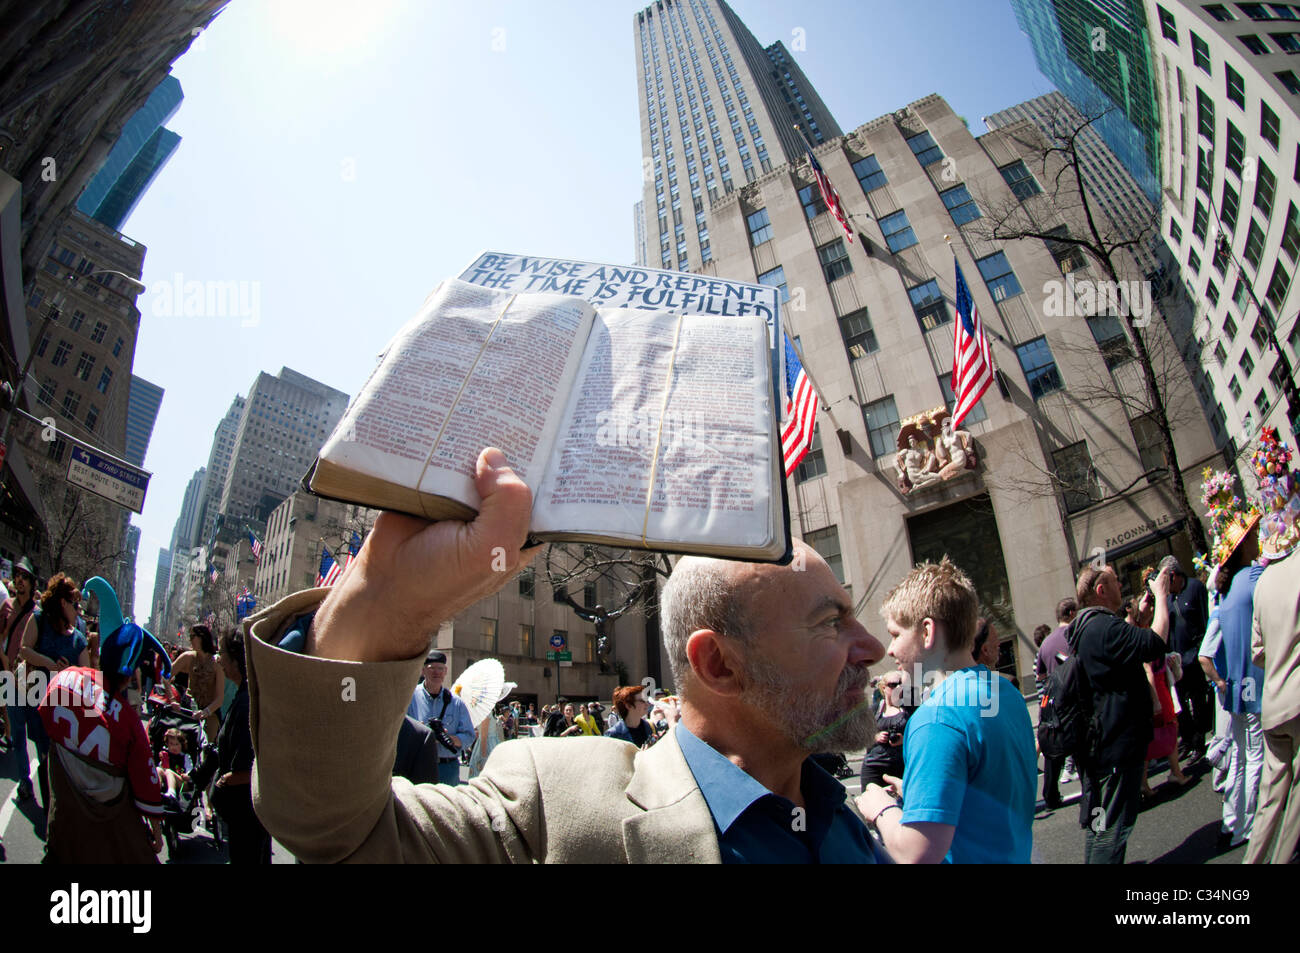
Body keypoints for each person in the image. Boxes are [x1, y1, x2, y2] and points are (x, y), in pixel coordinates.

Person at [244, 446, 891, 863]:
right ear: (719, 664)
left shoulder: (850, 824)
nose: (874, 647)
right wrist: (384, 605)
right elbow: (332, 836)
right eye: (831, 622)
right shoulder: (552, 807)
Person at [857, 558, 1037, 863]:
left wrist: (880, 809)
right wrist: (916, 792)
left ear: (927, 632)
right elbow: (988, 786)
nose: (889, 650)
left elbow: (917, 854)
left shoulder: (935, 718)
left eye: (895, 634)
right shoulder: (1005, 691)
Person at [38, 576, 168, 862]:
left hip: (62, 824)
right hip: (104, 834)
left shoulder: (63, 680)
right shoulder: (132, 726)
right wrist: (156, 830)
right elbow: (146, 786)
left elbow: (45, 720)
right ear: (131, 673)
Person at [1070, 562, 1174, 864]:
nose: (1121, 586)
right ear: (1101, 590)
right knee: (1113, 829)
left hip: (1101, 745)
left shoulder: (1088, 626)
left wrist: (1140, 617)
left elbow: (1128, 645)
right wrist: (1163, 596)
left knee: (1100, 825)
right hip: (1116, 747)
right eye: (1115, 581)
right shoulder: (1103, 627)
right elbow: (1154, 645)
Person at [1244, 429, 1300, 864]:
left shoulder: (1263, 584)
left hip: (1272, 703)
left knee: (1269, 800)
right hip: (1299, 701)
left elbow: (1258, 650)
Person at [17, 572, 90, 813]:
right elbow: (24, 649)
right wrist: (49, 663)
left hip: (67, 713)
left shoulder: (79, 638)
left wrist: (71, 672)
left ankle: (58, 814)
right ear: (62, 603)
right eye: (75, 604)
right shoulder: (38, 619)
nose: (78, 610)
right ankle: (51, 811)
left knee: (60, 762)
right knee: (46, 756)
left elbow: (88, 676)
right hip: (38, 704)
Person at [206, 629, 271, 863]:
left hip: (246, 813)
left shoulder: (247, 703)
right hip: (245, 814)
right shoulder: (244, 694)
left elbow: (248, 768)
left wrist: (224, 780)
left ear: (236, 659)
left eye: (221, 652)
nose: (218, 658)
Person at [1164, 556, 1212, 762]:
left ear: (1174, 576)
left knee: (1198, 699)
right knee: (1181, 703)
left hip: (1194, 656)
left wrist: (1201, 650)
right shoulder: (1167, 599)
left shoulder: (1195, 589)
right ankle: (1190, 739)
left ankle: (1200, 742)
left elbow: (1205, 620)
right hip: (1177, 661)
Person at [405, 651, 475, 784]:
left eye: (440, 669)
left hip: (448, 768)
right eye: (432, 668)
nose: (436, 672)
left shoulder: (456, 702)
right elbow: (400, 731)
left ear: (446, 671)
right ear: (423, 670)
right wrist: (422, 733)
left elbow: (469, 736)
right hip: (419, 765)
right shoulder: (410, 698)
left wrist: (449, 738)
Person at [1, 557, 38, 797]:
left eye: (24, 576)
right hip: (8, 674)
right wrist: (5, 664)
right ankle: (25, 779)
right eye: (17, 575)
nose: (19, 580)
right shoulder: (6, 606)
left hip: (31, 681)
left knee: (38, 733)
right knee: (17, 732)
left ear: (32, 582)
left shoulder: (38, 613)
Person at [171, 624, 224, 744]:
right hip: (188, 709)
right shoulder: (188, 657)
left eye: (192, 636)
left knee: (207, 748)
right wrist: (172, 699)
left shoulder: (217, 663)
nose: (190, 640)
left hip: (210, 712)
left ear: (201, 637)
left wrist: (206, 712)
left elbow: (220, 698)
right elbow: (165, 675)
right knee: (183, 744)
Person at [859, 673, 910, 788]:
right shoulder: (875, 709)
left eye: (901, 684)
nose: (898, 688)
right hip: (874, 766)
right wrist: (876, 737)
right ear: (883, 688)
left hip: (902, 766)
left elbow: (921, 736)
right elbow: (860, 736)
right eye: (893, 685)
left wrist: (904, 739)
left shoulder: (909, 709)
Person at [157, 728, 194, 804]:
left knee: (169, 772)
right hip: (168, 778)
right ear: (167, 744)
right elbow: (163, 770)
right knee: (158, 769)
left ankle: (172, 794)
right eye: (171, 744)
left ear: (181, 745)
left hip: (183, 782)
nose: (174, 747)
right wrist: (162, 763)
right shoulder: (166, 754)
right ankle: (157, 790)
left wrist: (187, 775)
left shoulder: (185, 757)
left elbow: (190, 770)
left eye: (177, 744)